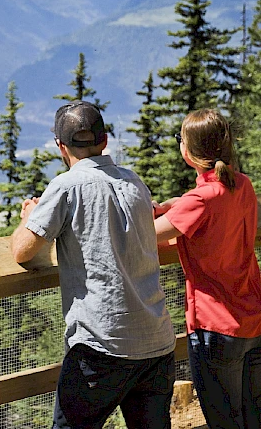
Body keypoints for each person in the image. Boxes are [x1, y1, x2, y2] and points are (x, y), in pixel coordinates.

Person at [11, 100, 176, 429]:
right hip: (157, 342)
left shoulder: (65, 187)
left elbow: (23, 252)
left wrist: (30, 217)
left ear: (61, 146)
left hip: (101, 345)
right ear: (104, 141)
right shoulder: (134, 182)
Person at [154, 108, 261, 428]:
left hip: (216, 326)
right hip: (253, 318)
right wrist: (180, 202)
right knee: (254, 416)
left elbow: (141, 237)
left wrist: (149, 208)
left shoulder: (200, 200)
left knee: (224, 421)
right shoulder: (242, 185)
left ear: (187, 152)